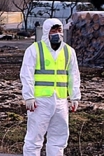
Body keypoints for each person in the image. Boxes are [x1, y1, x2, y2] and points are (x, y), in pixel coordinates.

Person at [20, 18, 81, 155]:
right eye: (54, 30)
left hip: (60, 101)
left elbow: (73, 75)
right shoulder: (34, 49)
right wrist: (29, 96)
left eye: (59, 30)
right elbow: (26, 74)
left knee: (58, 140)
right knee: (34, 139)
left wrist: (74, 97)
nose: (57, 33)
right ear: (47, 31)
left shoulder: (69, 51)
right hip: (40, 102)